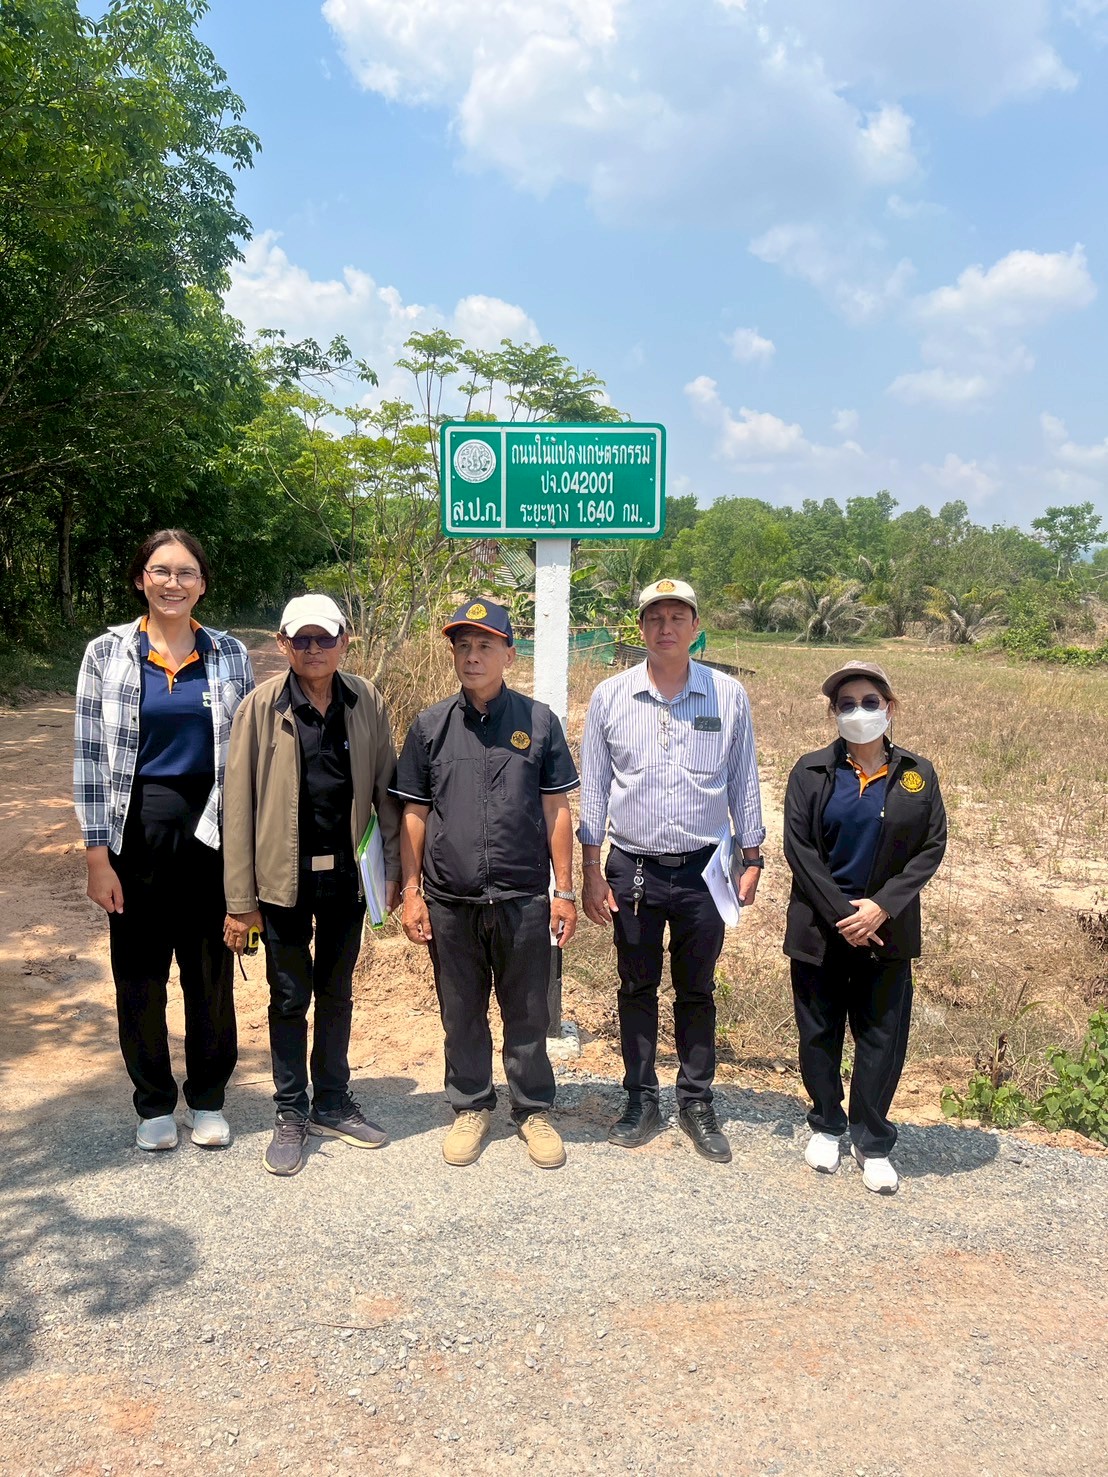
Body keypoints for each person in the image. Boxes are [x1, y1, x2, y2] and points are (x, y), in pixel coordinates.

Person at [74, 529, 254, 1151]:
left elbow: (246, 756)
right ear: (140, 579)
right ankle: (153, 1102)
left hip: (211, 828)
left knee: (209, 974)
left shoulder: (229, 654)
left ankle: (207, 1098)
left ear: (202, 583)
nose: (171, 582)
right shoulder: (105, 653)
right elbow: (90, 759)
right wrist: (99, 856)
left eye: (184, 572)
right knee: (139, 974)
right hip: (135, 829)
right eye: (159, 571)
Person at [579, 579, 765, 1163]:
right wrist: (589, 866)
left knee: (696, 988)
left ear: (694, 627)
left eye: (677, 616)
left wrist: (752, 854)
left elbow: (743, 777)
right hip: (631, 865)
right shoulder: (611, 697)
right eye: (654, 616)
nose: (665, 626)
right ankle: (640, 1097)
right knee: (635, 985)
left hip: (705, 870)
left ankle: (696, 1100)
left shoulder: (727, 696)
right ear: (640, 629)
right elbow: (595, 787)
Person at [392, 598, 579, 1170]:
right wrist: (412, 891)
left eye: (485, 646)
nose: (472, 657)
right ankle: (471, 1106)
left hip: (523, 898)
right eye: (463, 646)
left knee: (526, 1011)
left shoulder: (540, 722)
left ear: (508, 652)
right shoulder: (429, 726)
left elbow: (556, 809)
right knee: (461, 1010)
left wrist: (564, 890)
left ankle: (533, 1110)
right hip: (451, 900)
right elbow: (415, 814)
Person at [222, 594, 401, 1177]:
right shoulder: (259, 708)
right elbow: (239, 808)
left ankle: (331, 1100)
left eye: (325, 638)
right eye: (302, 640)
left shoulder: (366, 700)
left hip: (348, 878)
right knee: (288, 998)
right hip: (282, 881)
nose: (314, 649)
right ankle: (290, 1110)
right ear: (283, 645)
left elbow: (385, 791)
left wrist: (391, 873)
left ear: (345, 641)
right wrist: (239, 901)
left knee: (338, 992)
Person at [782, 660, 947, 1195]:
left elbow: (930, 847)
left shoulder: (918, 775)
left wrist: (881, 907)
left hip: (887, 931)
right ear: (833, 713)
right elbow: (799, 850)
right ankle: (827, 1122)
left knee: (881, 1037)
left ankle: (871, 1139)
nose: (859, 712)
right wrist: (843, 914)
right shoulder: (809, 772)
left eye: (870, 702)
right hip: (821, 929)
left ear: (890, 708)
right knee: (820, 1031)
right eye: (846, 704)